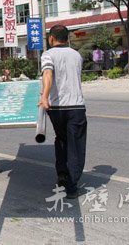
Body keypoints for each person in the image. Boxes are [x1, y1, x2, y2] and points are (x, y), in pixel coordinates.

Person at [38, 25, 88, 199]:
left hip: (57, 108)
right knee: (76, 145)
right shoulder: (76, 55)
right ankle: (72, 186)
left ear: (52, 38)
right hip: (76, 107)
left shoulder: (48, 55)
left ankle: (62, 176)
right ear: (67, 38)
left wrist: (44, 96)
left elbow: (48, 75)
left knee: (61, 140)